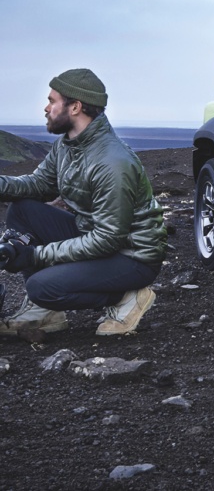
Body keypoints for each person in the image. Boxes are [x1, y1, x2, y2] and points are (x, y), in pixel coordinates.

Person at [0, 68, 167, 336]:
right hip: (95, 236)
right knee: (23, 209)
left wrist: (36, 255)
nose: (46, 108)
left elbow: (108, 239)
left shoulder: (112, 162)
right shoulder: (68, 144)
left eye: (52, 101)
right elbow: (38, 184)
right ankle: (44, 313)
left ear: (75, 107)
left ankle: (125, 297)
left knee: (42, 287)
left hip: (132, 257)